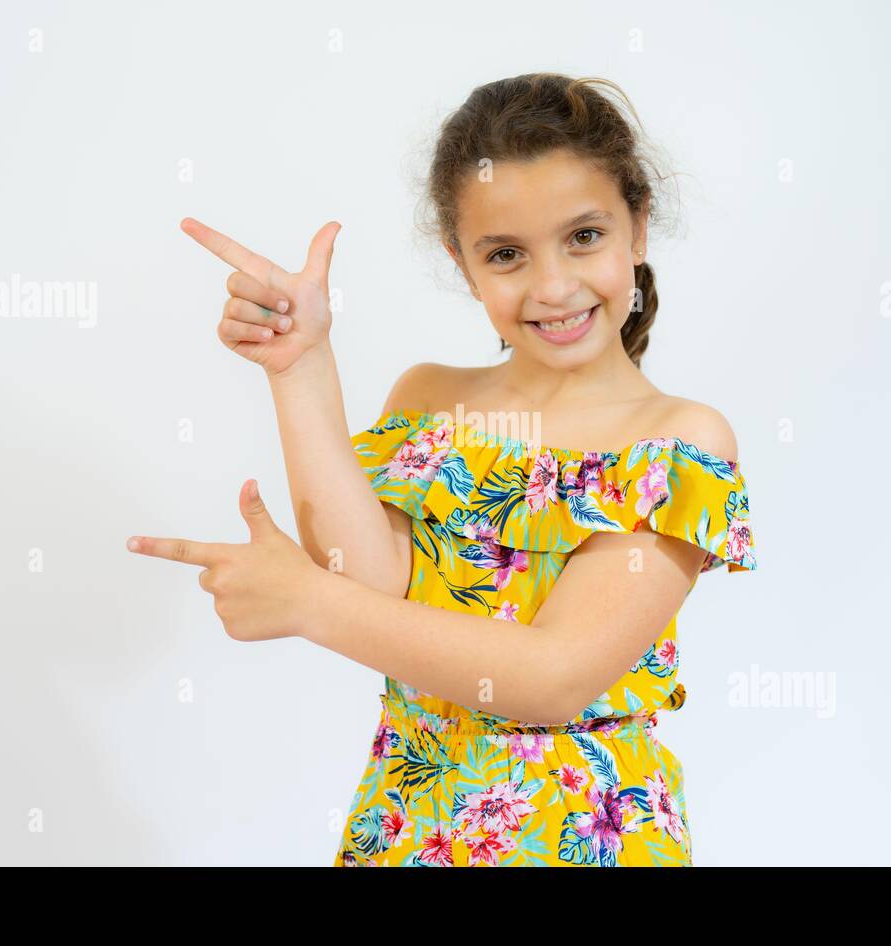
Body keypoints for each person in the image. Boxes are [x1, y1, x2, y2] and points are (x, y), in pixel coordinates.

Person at [127, 72, 757, 867]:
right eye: (506, 254)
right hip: (406, 824)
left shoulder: (678, 442)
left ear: (639, 225)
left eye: (585, 237)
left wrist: (308, 604)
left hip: (577, 842)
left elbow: (552, 679)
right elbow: (365, 577)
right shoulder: (429, 399)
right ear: (462, 264)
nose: (553, 285)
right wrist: (300, 368)